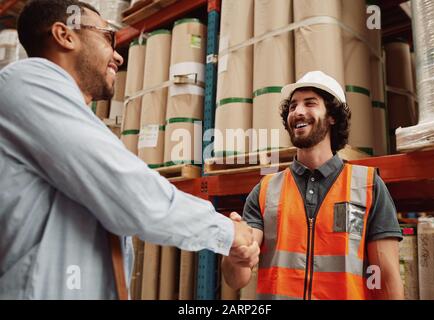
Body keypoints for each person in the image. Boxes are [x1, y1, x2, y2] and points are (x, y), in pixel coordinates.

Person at [0, 0, 253, 299]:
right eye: (108, 38)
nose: (118, 57)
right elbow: (129, 192)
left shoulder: (63, 117)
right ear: (64, 35)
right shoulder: (26, 85)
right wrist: (227, 232)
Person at [222, 71, 405, 300]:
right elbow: (237, 278)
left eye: (310, 104)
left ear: (332, 117)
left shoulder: (367, 186)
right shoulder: (266, 190)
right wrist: (235, 251)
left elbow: (386, 278)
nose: (298, 111)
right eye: (292, 106)